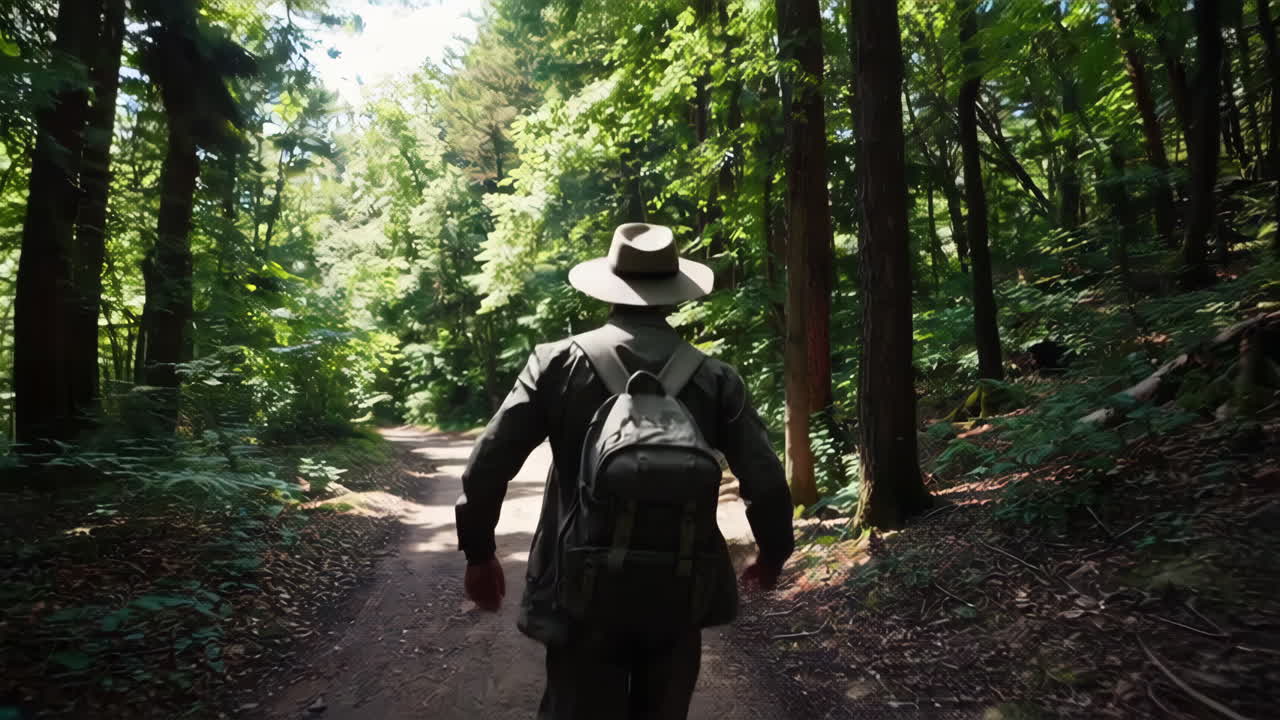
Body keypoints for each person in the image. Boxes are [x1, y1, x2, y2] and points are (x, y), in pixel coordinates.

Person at [455, 222, 794, 719]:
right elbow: (764, 479)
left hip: (577, 589)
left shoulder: (556, 364)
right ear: (674, 294)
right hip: (680, 586)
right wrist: (773, 554)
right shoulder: (715, 378)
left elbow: (489, 462)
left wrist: (480, 553)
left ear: (608, 288)